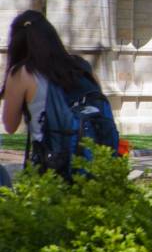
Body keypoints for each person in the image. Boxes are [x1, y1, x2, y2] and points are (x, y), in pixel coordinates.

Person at [2, 9, 119, 178]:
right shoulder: (81, 66)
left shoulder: (22, 73)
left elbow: (10, 125)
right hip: (95, 165)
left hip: (51, 166)